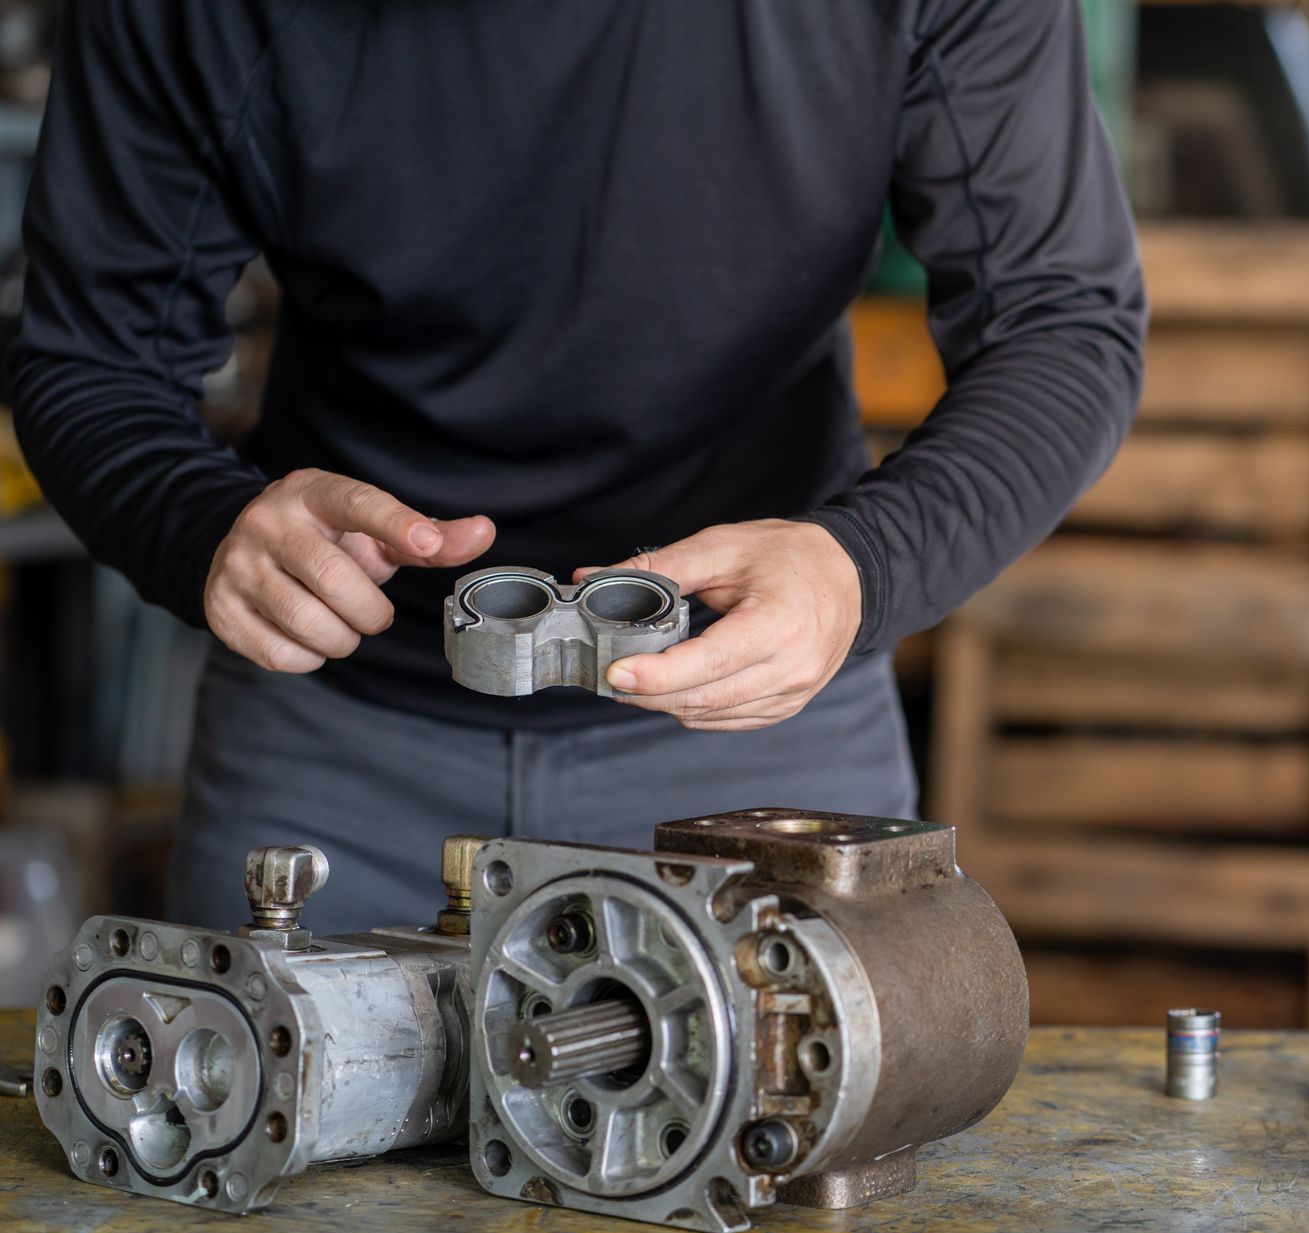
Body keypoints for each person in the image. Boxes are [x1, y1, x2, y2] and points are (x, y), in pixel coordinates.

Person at [11, 0, 1145, 932]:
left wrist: (863, 569)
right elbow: (88, 355)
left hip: (756, 747)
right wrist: (204, 524)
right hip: (333, 755)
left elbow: (1062, 322)